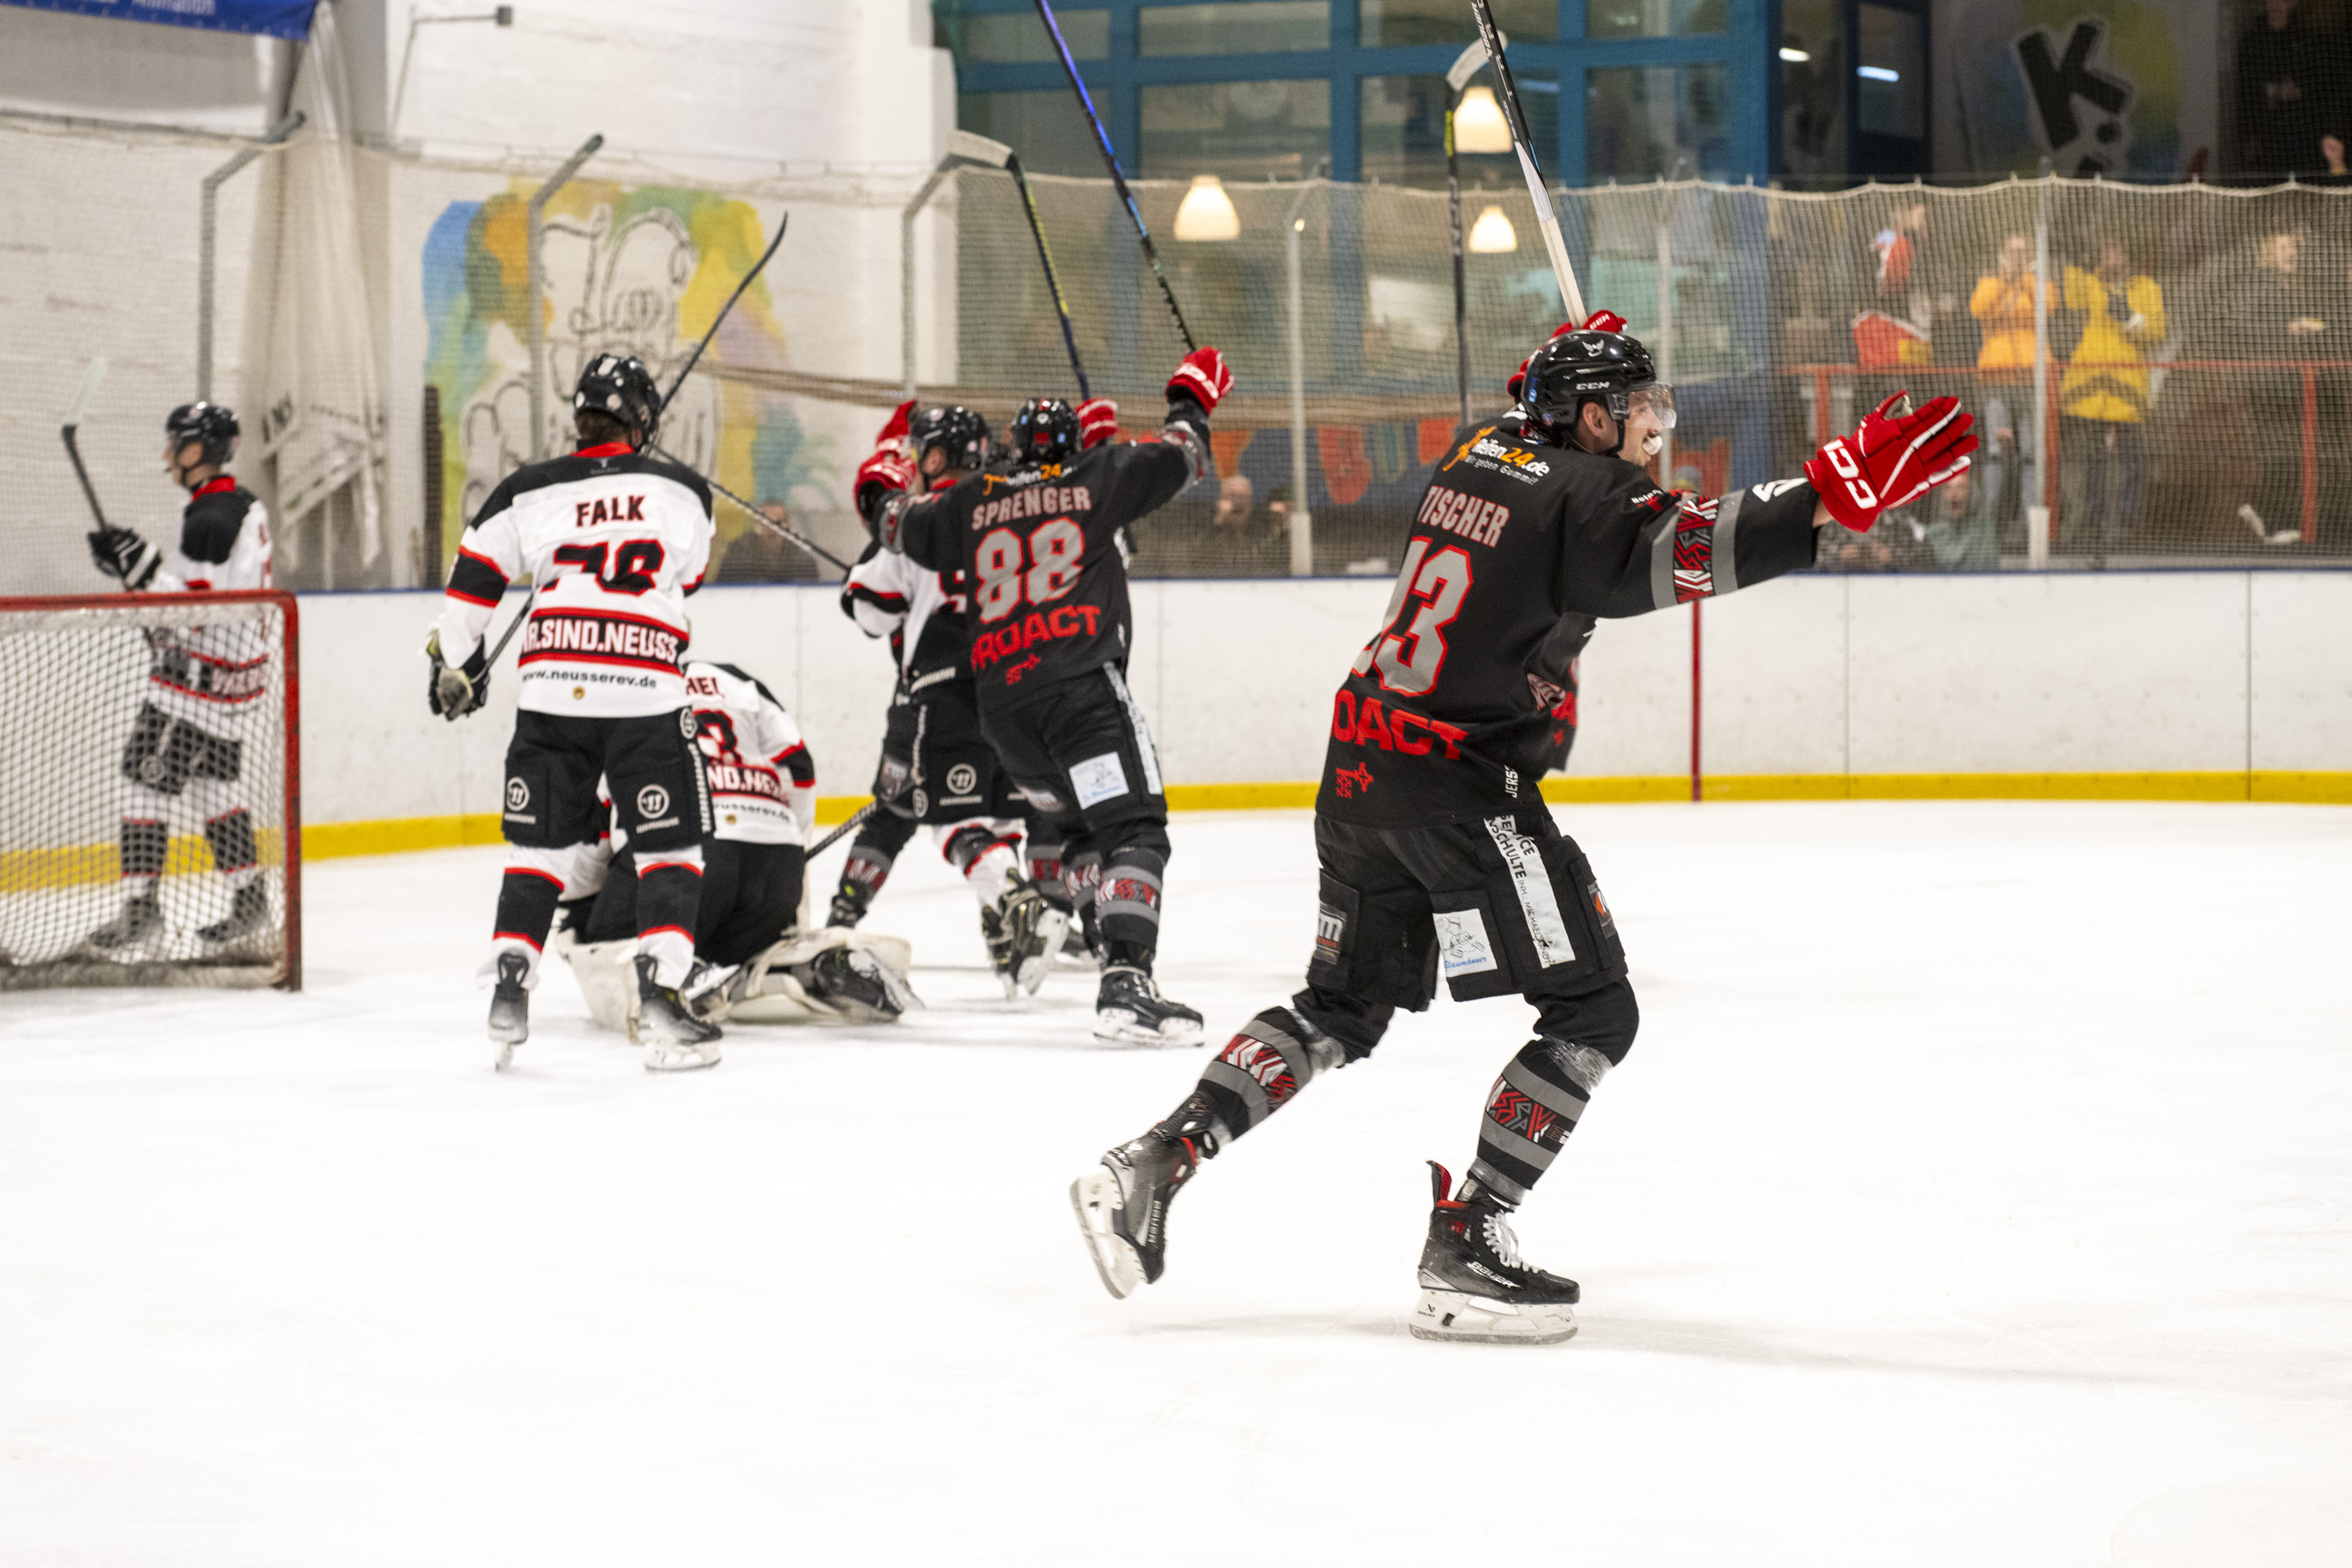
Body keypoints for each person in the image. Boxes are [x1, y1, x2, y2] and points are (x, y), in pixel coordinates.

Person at [1070, 321, 1976, 1344]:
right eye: (1637, 411)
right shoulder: (1588, 495)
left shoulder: (1478, 450)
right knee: (1596, 1012)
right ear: (1591, 418)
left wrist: (1566, 372)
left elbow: (1537, 434)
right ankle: (1469, 1239)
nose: (1653, 430)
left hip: (1363, 755)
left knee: (1341, 1007)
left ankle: (1156, 1159)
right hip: (1458, 783)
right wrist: (1821, 498)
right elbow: (1679, 551)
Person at [877, 349, 1236, 1045]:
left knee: (1078, 834)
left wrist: (885, 467)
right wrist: (1192, 395)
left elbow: (894, 522)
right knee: (1133, 829)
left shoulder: (973, 499)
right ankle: (1127, 979)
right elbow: (1184, 454)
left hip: (1007, 716)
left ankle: (1109, 956)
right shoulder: (1097, 475)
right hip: (1082, 698)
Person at [426, 352, 723, 1073]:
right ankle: (660, 996)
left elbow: (467, 596)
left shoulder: (528, 489)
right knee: (668, 850)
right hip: (645, 688)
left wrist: (458, 667)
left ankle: (509, 987)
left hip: (552, 683)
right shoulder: (684, 489)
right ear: (642, 421)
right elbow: (690, 577)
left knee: (541, 852)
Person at [834, 402, 1067, 997]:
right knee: (996, 809)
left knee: (936, 814)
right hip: (1022, 687)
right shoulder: (1014, 511)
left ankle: (1012, 900)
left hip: (941, 689)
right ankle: (1007, 932)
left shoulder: (921, 518)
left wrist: (878, 562)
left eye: (920, 453)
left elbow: (868, 610)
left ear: (936, 457)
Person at [559, 657, 916, 1032]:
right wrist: (793, 849)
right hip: (776, 863)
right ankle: (808, 967)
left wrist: (578, 907)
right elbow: (799, 769)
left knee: (603, 933)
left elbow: (592, 818)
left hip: (689, 858)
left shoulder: (621, 695)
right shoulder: (738, 682)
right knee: (735, 946)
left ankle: (681, 975)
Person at [82, 403, 275, 952]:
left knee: (140, 783)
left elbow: (194, 610)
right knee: (216, 788)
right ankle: (251, 901)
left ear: (197, 451)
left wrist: (140, 568)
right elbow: (206, 590)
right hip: (236, 679)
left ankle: (141, 913)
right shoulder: (239, 503)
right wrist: (137, 565)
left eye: (176, 444)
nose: (168, 454)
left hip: (198, 685)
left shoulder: (208, 518)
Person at [2058, 238, 2167, 558]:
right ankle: (2091, 522)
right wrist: (2077, 252)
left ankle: (2126, 523)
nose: (2110, 257)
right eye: (2105, 251)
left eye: (2116, 250)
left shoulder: (2146, 288)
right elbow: (2071, 291)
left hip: (2128, 388)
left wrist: (2131, 318)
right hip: (2091, 390)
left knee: (2132, 460)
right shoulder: (2092, 283)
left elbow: (2157, 331)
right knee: (2093, 460)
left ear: (2127, 255)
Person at [2232, 230, 2325, 543]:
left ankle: (2269, 515)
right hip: (2269, 385)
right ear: (2269, 250)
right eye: (2284, 247)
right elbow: (2243, 328)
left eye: (2293, 247)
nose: (2292, 253)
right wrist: (2288, 328)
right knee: (2280, 453)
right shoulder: (2257, 283)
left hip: (2291, 385)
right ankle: (2271, 518)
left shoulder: (2290, 287)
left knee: (2291, 453)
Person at [1969, 234, 2056, 528]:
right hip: (1998, 376)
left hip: (2031, 377)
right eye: (2012, 252)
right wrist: (2008, 279)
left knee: (2031, 451)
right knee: (1996, 450)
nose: (2018, 257)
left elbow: (2049, 306)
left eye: (2023, 252)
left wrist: (2027, 278)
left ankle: (2030, 520)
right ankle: (1990, 520)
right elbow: (1979, 308)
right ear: (2003, 254)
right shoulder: (1991, 282)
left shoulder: (2038, 283)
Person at [2237, 0, 2332, 176]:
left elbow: (2321, 88)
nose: (2278, 3)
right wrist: (2274, 92)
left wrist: (2299, 91)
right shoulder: (2252, 41)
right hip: (2266, 141)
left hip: (2302, 139)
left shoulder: (2307, 40)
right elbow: (2246, 92)